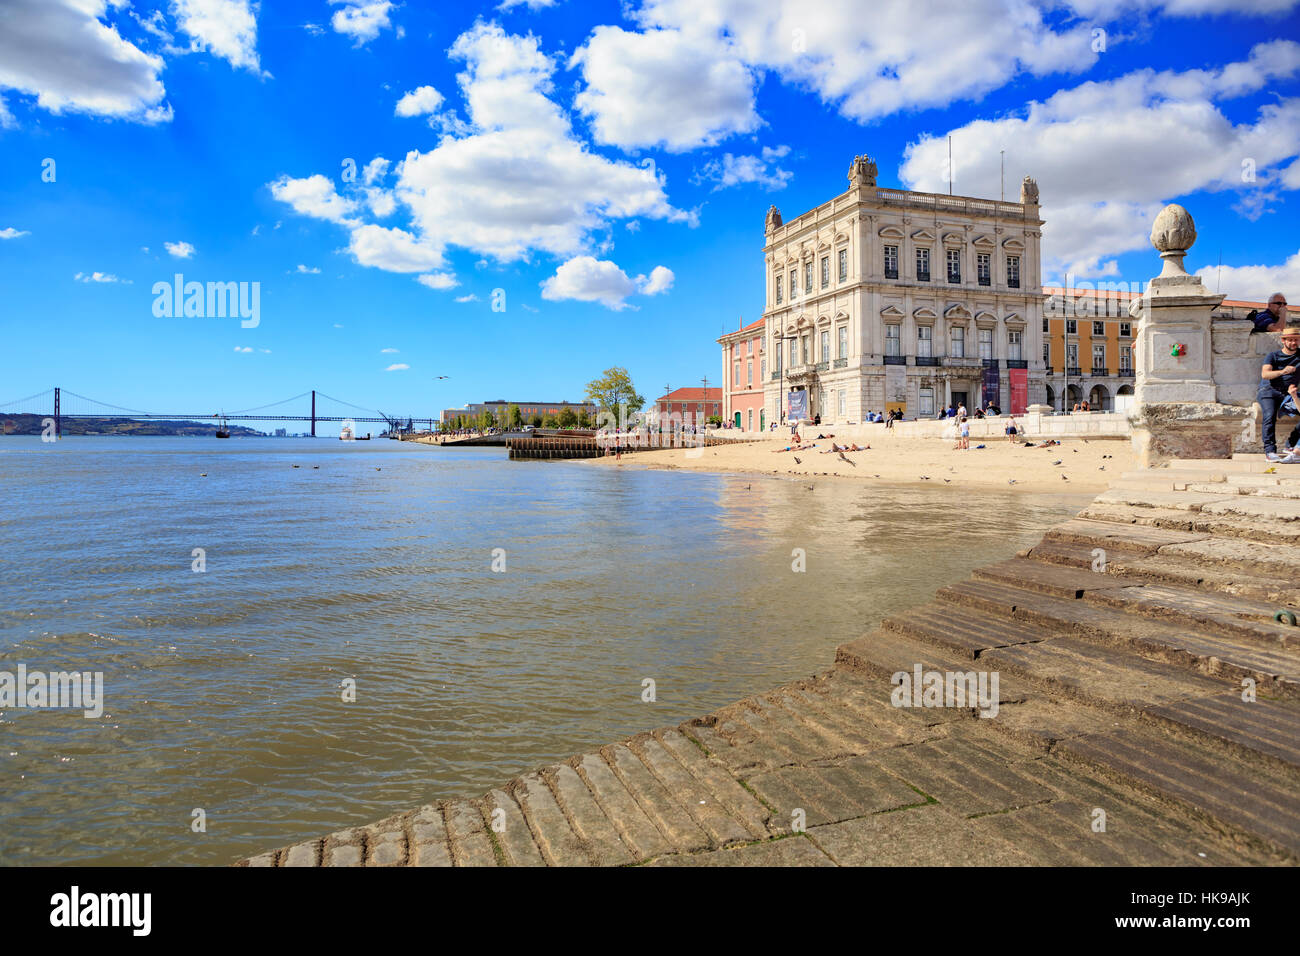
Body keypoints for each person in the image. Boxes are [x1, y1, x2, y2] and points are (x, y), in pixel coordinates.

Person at [1259, 326, 1300, 462]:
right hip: (1269, 391)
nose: (1294, 343)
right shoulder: (1273, 355)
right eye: (1291, 340)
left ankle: (1290, 444)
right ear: (1283, 340)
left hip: (1288, 394)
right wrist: (1283, 371)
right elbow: (1265, 374)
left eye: (1297, 340)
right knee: (1269, 417)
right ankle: (1270, 452)